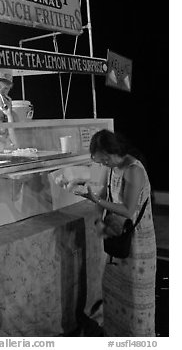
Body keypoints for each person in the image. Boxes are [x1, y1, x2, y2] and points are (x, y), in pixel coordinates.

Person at [67, 129, 156, 337]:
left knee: (136, 296)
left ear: (110, 153)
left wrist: (96, 201)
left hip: (136, 239)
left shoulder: (133, 170)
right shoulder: (112, 168)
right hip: (118, 234)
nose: (103, 165)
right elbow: (105, 193)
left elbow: (128, 209)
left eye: (104, 161)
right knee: (114, 290)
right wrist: (98, 218)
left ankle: (138, 338)